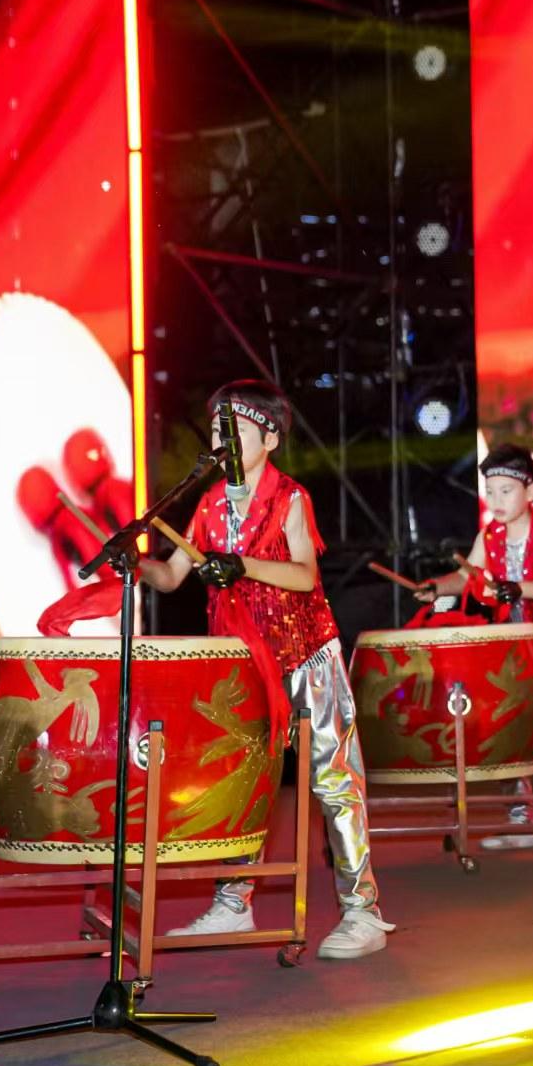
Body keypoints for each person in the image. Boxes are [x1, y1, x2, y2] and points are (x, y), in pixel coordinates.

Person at [141, 380, 393, 959]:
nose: (223, 439)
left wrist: (243, 565)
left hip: (307, 656)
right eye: (216, 429)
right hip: (245, 668)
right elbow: (172, 576)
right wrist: (137, 564)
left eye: (237, 429)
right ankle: (233, 902)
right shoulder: (209, 504)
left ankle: (363, 912)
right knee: (242, 784)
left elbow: (304, 574)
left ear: (271, 438)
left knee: (334, 782)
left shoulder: (290, 498)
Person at [414, 444, 533, 855]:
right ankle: (521, 817)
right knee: (509, 733)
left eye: (505, 490)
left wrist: (518, 588)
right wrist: (437, 588)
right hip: (516, 656)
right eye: (490, 491)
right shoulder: (490, 536)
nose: (496, 500)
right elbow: (469, 577)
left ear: (530, 491)